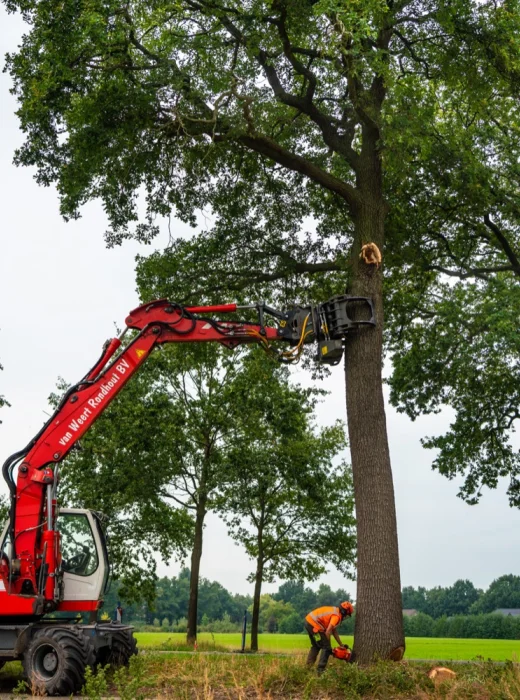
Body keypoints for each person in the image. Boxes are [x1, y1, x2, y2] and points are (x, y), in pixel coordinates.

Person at [304, 601, 354, 674]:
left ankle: (308, 668)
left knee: (316, 646)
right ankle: (320, 671)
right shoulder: (336, 616)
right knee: (326, 647)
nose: (346, 617)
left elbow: (334, 631)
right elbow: (328, 631)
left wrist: (341, 645)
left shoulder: (336, 612)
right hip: (314, 625)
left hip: (308, 622)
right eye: (347, 615)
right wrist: (328, 646)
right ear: (344, 612)